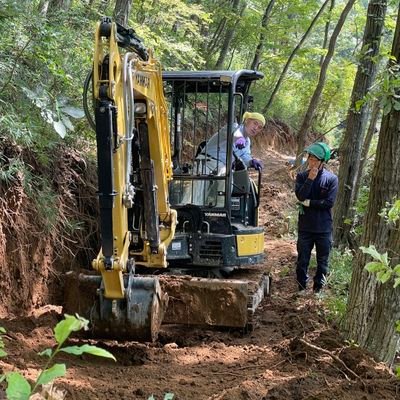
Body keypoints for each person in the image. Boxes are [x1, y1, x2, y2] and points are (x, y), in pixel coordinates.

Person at [192, 111, 265, 206]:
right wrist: (239, 139)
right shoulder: (234, 127)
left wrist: (251, 161)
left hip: (222, 167)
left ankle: (219, 214)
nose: (256, 128)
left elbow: (244, 156)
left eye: (259, 127)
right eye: (255, 123)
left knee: (226, 185)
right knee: (195, 195)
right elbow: (234, 133)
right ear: (247, 121)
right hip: (206, 162)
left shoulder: (247, 142)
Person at [295, 142, 338, 293]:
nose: (312, 162)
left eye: (316, 160)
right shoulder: (301, 176)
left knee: (323, 262)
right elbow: (300, 195)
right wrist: (310, 179)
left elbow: (328, 203)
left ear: (322, 162)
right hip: (305, 227)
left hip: (323, 228)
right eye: (310, 158)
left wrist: (308, 203)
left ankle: (317, 290)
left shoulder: (331, 179)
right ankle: (301, 288)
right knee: (302, 261)